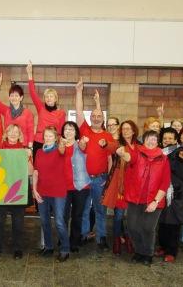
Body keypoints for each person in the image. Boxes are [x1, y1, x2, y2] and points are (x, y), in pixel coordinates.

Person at [116, 130, 170, 266]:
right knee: (133, 227)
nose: (151, 141)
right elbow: (129, 157)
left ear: (157, 142)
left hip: (154, 200)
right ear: (144, 141)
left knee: (147, 228)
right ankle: (139, 251)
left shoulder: (163, 158)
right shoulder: (138, 153)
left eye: (154, 139)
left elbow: (165, 182)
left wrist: (155, 201)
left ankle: (148, 253)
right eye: (148, 138)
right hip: (135, 198)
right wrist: (122, 153)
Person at [75, 79, 117, 251]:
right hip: (84, 179)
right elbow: (78, 112)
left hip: (100, 179)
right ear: (90, 118)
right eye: (94, 116)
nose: (97, 118)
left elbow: (112, 153)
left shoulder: (107, 135)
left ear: (103, 119)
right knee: (84, 210)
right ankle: (84, 234)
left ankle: (101, 237)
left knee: (100, 210)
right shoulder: (84, 130)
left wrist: (106, 180)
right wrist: (79, 91)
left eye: (100, 116)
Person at [0, 124, 31, 260]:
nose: (13, 134)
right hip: (0, 190)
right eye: (10, 131)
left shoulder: (24, 150)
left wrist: (28, 158)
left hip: (18, 190)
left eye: (16, 132)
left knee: (18, 222)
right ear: (6, 134)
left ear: (20, 135)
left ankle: (18, 249)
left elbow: (30, 172)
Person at [33, 126, 70, 262]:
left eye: (50, 136)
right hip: (42, 191)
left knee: (59, 221)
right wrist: (34, 189)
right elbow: (36, 172)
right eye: (46, 136)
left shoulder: (59, 150)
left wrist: (62, 143)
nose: (47, 138)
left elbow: (62, 149)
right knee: (44, 221)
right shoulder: (38, 152)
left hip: (58, 192)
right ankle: (48, 247)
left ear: (55, 138)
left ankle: (65, 249)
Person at [103, 120, 139, 256]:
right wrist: (105, 144)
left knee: (131, 215)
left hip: (134, 183)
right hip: (120, 183)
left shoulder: (138, 145)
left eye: (128, 129)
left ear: (134, 131)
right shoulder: (119, 144)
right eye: (123, 129)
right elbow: (111, 147)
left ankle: (129, 240)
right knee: (118, 215)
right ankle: (117, 240)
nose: (125, 131)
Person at [156, 127, 183, 263]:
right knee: (162, 221)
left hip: (176, 193)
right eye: (165, 138)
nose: (167, 140)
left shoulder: (179, 151)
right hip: (162, 191)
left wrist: (182, 157)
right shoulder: (159, 152)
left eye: (170, 138)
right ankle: (163, 247)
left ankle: (172, 251)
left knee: (173, 223)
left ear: (176, 140)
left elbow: (182, 159)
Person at [59, 121, 90, 253]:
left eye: (71, 129)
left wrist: (83, 142)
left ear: (76, 132)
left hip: (81, 186)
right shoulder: (59, 146)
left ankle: (74, 242)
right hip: (63, 187)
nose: (68, 131)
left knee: (77, 215)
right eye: (66, 129)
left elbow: (84, 147)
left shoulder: (81, 144)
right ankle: (63, 240)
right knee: (63, 216)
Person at [26, 61, 66, 158]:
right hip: (39, 142)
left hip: (53, 143)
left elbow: (60, 131)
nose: (48, 98)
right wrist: (30, 74)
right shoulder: (41, 108)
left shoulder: (61, 113)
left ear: (56, 98)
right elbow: (32, 92)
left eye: (51, 96)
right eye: (46, 96)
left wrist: (61, 145)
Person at [0, 73, 34, 148]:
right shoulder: (6, 110)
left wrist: (30, 147)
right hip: (7, 146)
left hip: (23, 146)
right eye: (11, 95)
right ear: (9, 97)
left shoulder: (27, 113)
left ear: (21, 98)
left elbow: (30, 131)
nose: (14, 98)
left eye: (16, 95)